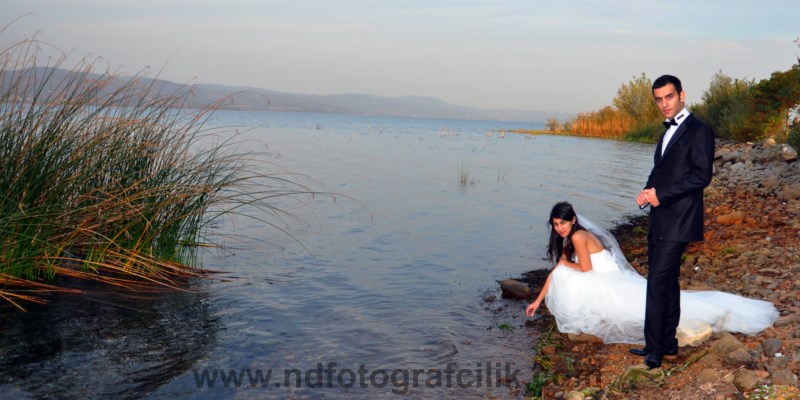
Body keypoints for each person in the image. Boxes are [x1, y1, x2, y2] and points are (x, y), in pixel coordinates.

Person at [525, 202, 779, 361]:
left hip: (607, 281)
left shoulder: (578, 237)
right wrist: (537, 301)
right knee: (564, 273)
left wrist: (563, 265)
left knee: (637, 311)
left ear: (573, 220)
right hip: (604, 278)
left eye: (563, 223)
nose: (559, 228)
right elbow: (558, 271)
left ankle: (676, 332)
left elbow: (584, 269)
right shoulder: (570, 237)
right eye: (555, 224)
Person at [632, 74, 715, 368]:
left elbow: (701, 176)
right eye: (659, 99)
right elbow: (660, 172)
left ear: (682, 95)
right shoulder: (665, 132)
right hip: (660, 218)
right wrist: (648, 191)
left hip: (680, 220)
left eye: (669, 97)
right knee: (666, 283)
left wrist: (662, 194)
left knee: (656, 282)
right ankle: (667, 344)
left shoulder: (700, 131)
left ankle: (654, 349)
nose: (664, 104)